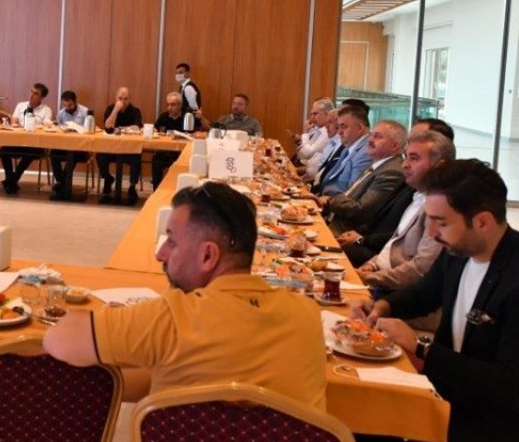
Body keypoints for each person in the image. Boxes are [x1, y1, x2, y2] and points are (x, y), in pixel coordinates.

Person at [350, 160, 519, 442]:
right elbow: (423, 294)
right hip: (459, 401)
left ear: (482, 222)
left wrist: (421, 347)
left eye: (441, 222)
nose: (432, 232)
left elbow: (511, 387)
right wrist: (382, 307)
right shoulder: (459, 251)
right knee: (354, 419)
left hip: (510, 429)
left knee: (363, 430)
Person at [44, 183, 326, 408]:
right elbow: (196, 372)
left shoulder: (173, 318)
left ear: (207, 256)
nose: (160, 254)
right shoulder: (308, 316)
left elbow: (60, 339)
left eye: (171, 241)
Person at [357, 131, 456, 294]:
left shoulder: (441, 208)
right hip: (381, 278)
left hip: (399, 293)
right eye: (406, 157)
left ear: (440, 166)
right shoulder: (417, 195)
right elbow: (394, 244)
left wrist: (373, 277)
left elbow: (421, 269)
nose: (404, 164)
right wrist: (371, 265)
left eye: (414, 158)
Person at [321, 119, 407, 240]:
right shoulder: (378, 163)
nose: (370, 140)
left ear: (394, 145)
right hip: (334, 221)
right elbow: (350, 195)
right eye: (371, 135)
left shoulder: (391, 171)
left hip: (345, 233)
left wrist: (330, 201)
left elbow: (361, 210)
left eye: (378, 137)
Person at [0, 82, 54, 195]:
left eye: (36, 93)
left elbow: (46, 125)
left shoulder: (46, 110)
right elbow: (14, 121)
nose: (31, 95)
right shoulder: (21, 105)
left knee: (30, 153)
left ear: (42, 97)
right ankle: (11, 180)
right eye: (31, 91)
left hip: (36, 144)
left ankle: (11, 181)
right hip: (19, 141)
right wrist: (17, 124)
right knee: (4, 150)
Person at [97, 86, 143, 205]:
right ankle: (108, 178)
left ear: (130, 99)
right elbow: (108, 126)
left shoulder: (135, 111)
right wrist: (115, 110)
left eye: (126, 99)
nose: (123, 101)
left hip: (129, 149)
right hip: (112, 147)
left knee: (137, 158)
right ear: (115, 98)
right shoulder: (111, 108)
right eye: (120, 98)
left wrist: (120, 129)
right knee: (100, 155)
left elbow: (136, 127)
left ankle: (132, 186)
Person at [311, 106, 372, 196]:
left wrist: (324, 200)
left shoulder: (366, 152)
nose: (339, 132)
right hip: (322, 193)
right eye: (338, 127)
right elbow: (330, 178)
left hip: (333, 201)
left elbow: (352, 191)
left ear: (359, 128)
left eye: (343, 127)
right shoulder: (349, 146)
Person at [48, 91, 89, 201]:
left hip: (80, 147)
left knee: (72, 155)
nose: (67, 108)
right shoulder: (61, 113)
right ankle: (62, 182)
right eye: (64, 105)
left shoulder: (85, 112)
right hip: (64, 145)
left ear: (75, 102)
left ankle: (62, 184)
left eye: (70, 105)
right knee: (53, 154)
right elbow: (58, 128)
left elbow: (89, 129)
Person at [150, 92, 187, 188]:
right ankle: (156, 190)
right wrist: (153, 130)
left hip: (180, 153)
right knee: (156, 160)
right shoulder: (163, 116)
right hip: (165, 151)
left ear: (180, 105)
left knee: (177, 164)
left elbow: (193, 135)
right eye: (168, 104)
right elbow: (155, 129)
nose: (169, 107)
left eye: (173, 105)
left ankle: (174, 190)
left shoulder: (186, 117)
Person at [296, 98, 335, 164]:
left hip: (310, 167)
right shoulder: (316, 128)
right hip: (303, 164)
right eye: (311, 114)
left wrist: (305, 133)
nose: (311, 118)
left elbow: (307, 154)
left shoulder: (328, 132)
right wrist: (299, 142)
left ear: (327, 114)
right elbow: (302, 154)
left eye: (315, 114)